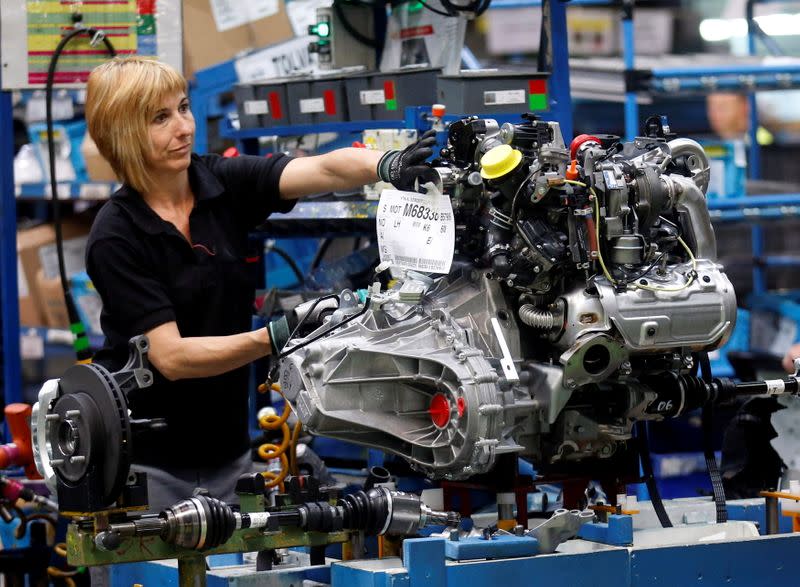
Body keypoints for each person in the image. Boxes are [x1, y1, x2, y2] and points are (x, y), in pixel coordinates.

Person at [83, 56, 436, 513]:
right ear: (122, 133)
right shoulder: (116, 234)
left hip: (229, 452)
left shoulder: (216, 183)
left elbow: (324, 170)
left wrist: (387, 164)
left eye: (184, 108)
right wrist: (271, 337)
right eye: (160, 118)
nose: (184, 127)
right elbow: (171, 358)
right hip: (147, 467)